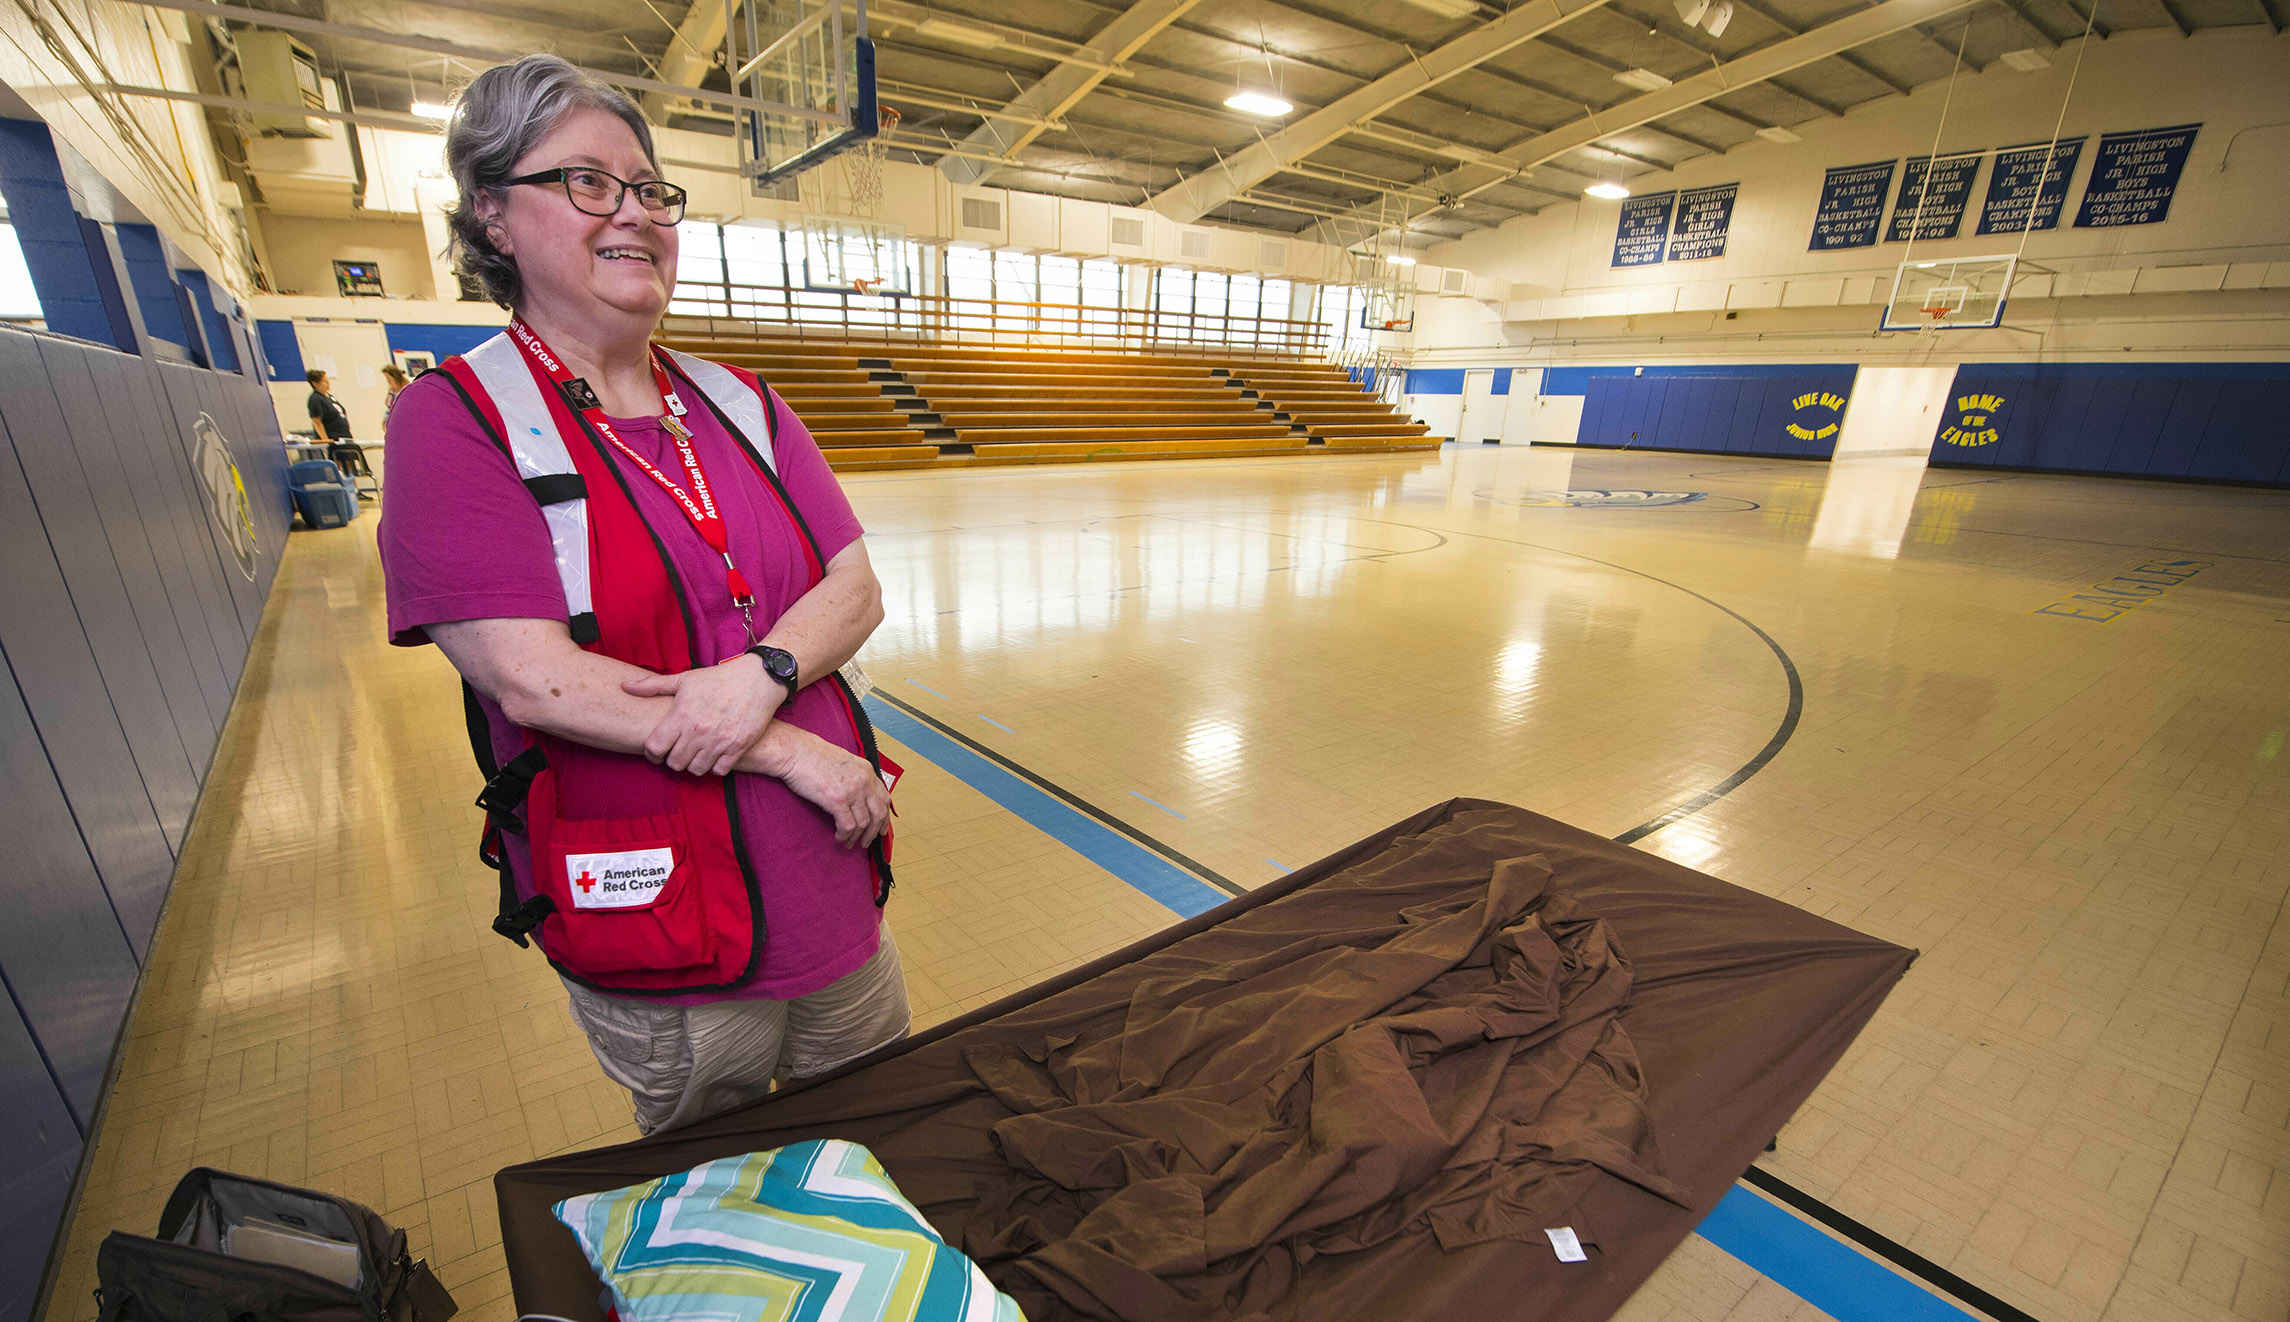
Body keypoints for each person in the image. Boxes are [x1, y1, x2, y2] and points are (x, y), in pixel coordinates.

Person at [376, 54, 907, 1135]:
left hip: (826, 882)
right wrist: (784, 743)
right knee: (714, 1181)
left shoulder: (742, 402)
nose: (633, 213)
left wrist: (763, 669)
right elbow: (531, 678)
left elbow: (851, 584)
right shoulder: (456, 420)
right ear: (493, 217)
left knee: (882, 1133)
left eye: (650, 189)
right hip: (663, 920)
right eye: (585, 182)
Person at [305, 369, 373, 498]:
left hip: (344, 436)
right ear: (315, 383)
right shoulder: (315, 399)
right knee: (339, 466)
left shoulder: (329, 397)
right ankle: (344, 492)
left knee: (349, 465)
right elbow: (317, 421)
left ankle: (354, 491)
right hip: (333, 438)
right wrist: (326, 440)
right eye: (324, 381)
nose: (327, 383)